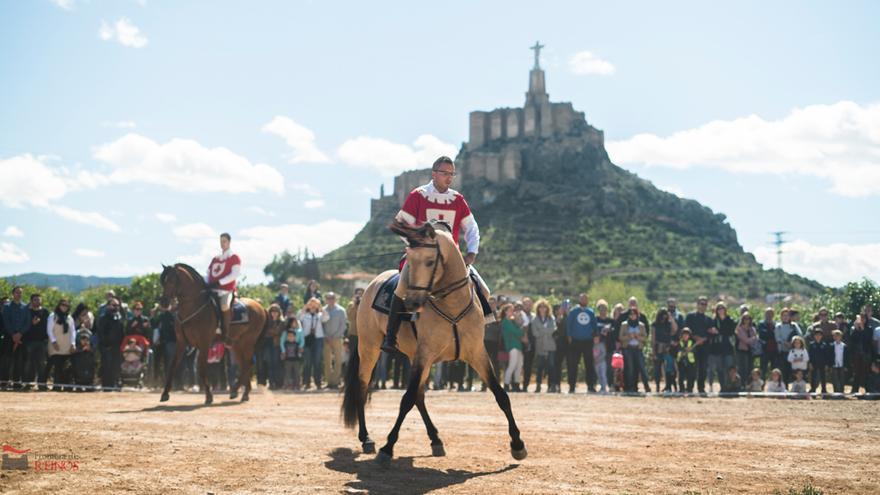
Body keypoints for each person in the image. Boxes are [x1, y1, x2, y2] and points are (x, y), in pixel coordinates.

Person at [382, 155, 486, 354]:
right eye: (445, 173)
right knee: (402, 288)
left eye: (452, 174)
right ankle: (390, 336)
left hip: (451, 262)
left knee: (483, 290)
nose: (449, 177)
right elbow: (400, 223)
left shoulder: (457, 199)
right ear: (434, 174)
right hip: (422, 260)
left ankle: (476, 331)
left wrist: (471, 252)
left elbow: (472, 228)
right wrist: (417, 245)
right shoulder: (418, 195)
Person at [205, 232, 242, 345]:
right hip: (212, 289)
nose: (222, 243)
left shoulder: (234, 257)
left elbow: (235, 274)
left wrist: (220, 282)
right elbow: (208, 273)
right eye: (221, 241)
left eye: (224, 241)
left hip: (226, 290)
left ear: (229, 242)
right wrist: (207, 283)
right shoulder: (215, 258)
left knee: (224, 305)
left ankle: (225, 332)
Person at [566, 293, 598, 393]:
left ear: (587, 300)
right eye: (582, 298)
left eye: (585, 298)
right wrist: (569, 336)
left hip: (588, 341)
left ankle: (591, 386)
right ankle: (571, 386)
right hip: (575, 341)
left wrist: (596, 336)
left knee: (589, 365)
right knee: (573, 364)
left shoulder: (591, 312)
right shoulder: (573, 312)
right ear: (579, 300)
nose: (583, 300)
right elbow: (568, 324)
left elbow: (594, 325)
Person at [685, 296, 714, 394]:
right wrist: (695, 337)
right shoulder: (690, 317)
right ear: (697, 305)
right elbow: (686, 330)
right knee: (692, 368)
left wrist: (704, 339)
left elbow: (711, 333)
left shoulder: (709, 319)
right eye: (701, 304)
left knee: (703, 369)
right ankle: (689, 388)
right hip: (693, 347)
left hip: (705, 347)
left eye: (705, 304)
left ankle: (701, 388)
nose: (703, 306)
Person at [46, 299, 77, 391]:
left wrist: (73, 343)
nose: (64, 307)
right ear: (59, 305)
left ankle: (67, 386)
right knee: (57, 366)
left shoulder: (69, 318)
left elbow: (73, 332)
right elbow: (49, 330)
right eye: (63, 304)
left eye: (66, 305)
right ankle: (57, 386)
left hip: (67, 345)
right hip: (55, 345)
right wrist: (54, 341)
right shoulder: (53, 316)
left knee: (66, 366)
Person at [2, 286, 29, 389]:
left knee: (19, 360)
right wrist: (13, 334)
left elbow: (27, 322)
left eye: (20, 292)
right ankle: (4, 382)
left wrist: (20, 334)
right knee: (7, 360)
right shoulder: (7, 307)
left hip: (22, 337)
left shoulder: (25, 307)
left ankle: (17, 382)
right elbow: (6, 322)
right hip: (9, 337)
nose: (19, 294)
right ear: (13, 294)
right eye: (17, 292)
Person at [704, 301, 735, 392]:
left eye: (722, 308)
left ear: (725, 310)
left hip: (728, 348)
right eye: (719, 309)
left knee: (729, 368)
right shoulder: (713, 321)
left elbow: (731, 332)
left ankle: (730, 386)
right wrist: (712, 331)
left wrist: (718, 332)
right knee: (720, 369)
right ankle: (722, 387)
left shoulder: (730, 320)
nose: (721, 310)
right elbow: (709, 332)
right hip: (716, 349)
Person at [23, 293, 50, 390]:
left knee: (42, 364)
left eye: (39, 300)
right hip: (29, 341)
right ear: (31, 301)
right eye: (35, 300)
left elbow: (48, 326)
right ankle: (28, 384)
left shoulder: (45, 311)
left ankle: (42, 384)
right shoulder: (27, 311)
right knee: (28, 364)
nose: (37, 302)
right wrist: (32, 323)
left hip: (42, 341)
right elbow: (24, 325)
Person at [299, 297, 326, 389]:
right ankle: (306, 382)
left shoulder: (320, 315)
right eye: (311, 305)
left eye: (315, 305)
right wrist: (307, 304)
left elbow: (327, 317)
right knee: (307, 361)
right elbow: (299, 317)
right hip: (307, 339)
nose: (313, 307)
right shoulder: (304, 315)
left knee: (317, 361)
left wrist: (320, 306)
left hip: (318, 339)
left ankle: (318, 382)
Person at [619, 309, 650, 393]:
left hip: (638, 348)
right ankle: (631, 387)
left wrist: (637, 337)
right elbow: (621, 337)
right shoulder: (624, 325)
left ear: (637, 315)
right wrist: (629, 336)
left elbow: (645, 338)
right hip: (628, 348)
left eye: (634, 314)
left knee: (642, 368)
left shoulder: (641, 325)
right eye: (631, 314)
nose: (632, 316)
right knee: (630, 369)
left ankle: (646, 386)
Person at [97, 298, 125, 390]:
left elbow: (121, 332)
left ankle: (114, 384)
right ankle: (106, 386)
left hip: (117, 347)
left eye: (117, 305)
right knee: (107, 366)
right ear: (108, 306)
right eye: (114, 305)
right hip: (106, 347)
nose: (116, 307)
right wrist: (106, 344)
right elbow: (101, 333)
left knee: (115, 365)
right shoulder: (103, 317)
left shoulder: (119, 317)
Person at [322, 292, 347, 389]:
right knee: (327, 361)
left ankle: (336, 381)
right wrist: (326, 336)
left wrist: (335, 336)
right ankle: (329, 381)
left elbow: (343, 325)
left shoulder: (341, 310)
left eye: (332, 298)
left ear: (335, 299)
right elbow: (321, 325)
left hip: (337, 338)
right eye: (328, 298)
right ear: (326, 299)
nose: (330, 299)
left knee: (338, 360)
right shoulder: (323, 310)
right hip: (326, 339)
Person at [530, 299, 555, 393]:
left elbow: (553, 329)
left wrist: (541, 331)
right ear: (538, 308)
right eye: (540, 306)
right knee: (540, 366)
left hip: (550, 345)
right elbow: (535, 333)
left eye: (544, 306)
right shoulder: (535, 319)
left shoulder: (551, 318)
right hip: (540, 345)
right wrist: (545, 331)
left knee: (551, 366)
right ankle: (538, 386)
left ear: (547, 308)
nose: (542, 308)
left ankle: (551, 386)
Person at [651, 308, 678, 392]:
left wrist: (671, 318)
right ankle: (658, 386)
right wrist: (653, 351)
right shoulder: (655, 324)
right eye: (662, 315)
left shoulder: (668, 324)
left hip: (667, 348)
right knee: (657, 369)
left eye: (665, 314)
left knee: (669, 368)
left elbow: (675, 330)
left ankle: (669, 386)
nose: (664, 317)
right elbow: (653, 338)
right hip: (658, 347)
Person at [258, 304, 284, 389]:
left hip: (276, 345)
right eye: (272, 311)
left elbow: (278, 332)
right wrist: (272, 332)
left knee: (276, 364)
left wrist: (270, 332)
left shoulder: (281, 322)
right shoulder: (266, 321)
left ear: (279, 312)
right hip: (267, 344)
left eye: (276, 311)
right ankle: (271, 382)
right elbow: (265, 332)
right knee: (269, 363)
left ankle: (278, 383)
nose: (274, 313)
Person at [501, 303, 525, 392]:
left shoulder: (511, 321)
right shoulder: (505, 322)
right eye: (510, 310)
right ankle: (506, 385)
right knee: (512, 366)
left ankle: (516, 385)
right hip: (512, 346)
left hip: (517, 345)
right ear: (506, 312)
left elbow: (518, 330)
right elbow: (518, 332)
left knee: (519, 366)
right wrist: (521, 331)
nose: (513, 312)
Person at [775, 308, 802, 383]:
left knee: (793, 371)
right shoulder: (778, 326)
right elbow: (778, 338)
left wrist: (792, 343)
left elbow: (800, 335)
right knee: (784, 371)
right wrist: (786, 343)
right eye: (783, 315)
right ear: (781, 317)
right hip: (782, 351)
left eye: (787, 315)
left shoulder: (794, 325)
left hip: (793, 351)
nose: (785, 317)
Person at [482, 297, 502, 392]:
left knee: (496, 364)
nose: (491, 305)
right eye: (489, 303)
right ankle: (484, 384)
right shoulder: (483, 313)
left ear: (496, 304)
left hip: (497, 342)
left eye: (493, 303)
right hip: (486, 341)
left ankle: (497, 383)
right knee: (486, 364)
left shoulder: (500, 314)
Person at [849, 315, 871, 394]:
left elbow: (868, 340)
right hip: (857, 355)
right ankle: (855, 390)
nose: (862, 320)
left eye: (863, 318)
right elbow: (852, 339)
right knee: (856, 373)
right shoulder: (854, 329)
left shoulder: (869, 329)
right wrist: (856, 329)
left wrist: (862, 328)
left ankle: (868, 390)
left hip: (865, 354)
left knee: (866, 373)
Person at [280, 316, 304, 390]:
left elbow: (302, 341)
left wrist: (300, 347)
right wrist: (283, 351)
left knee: (297, 371)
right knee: (287, 372)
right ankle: (287, 385)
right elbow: (281, 342)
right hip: (287, 356)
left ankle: (297, 385)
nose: (295, 323)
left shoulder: (300, 331)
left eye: (296, 322)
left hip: (296, 355)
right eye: (294, 322)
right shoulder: (285, 332)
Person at [735, 312, 758, 384]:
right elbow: (745, 340)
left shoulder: (752, 329)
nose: (747, 320)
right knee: (742, 369)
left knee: (750, 368)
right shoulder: (739, 329)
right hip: (742, 351)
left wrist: (752, 339)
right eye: (745, 318)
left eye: (748, 318)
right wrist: (753, 338)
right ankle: (741, 384)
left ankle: (749, 384)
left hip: (750, 351)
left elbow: (755, 340)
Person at [807, 328, 829, 394]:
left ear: (822, 336)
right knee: (813, 377)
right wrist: (810, 363)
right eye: (816, 335)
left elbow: (826, 356)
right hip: (814, 363)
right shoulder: (811, 344)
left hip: (822, 363)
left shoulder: (824, 345)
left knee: (823, 377)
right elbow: (809, 355)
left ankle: (824, 389)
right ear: (814, 336)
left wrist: (826, 364)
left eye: (819, 335)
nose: (818, 336)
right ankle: (813, 389)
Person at [756, 307, 777, 378]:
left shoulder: (776, 324)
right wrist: (771, 333)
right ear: (765, 314)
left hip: (774, 350)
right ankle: (762, 384)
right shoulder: (761, 324)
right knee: (763, 369)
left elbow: (776, 335)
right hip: (764, 350)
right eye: (767, 313)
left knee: (774, 369)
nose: (769, 315)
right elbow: (762, 335)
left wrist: (769, 334)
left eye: (771, 314)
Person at [676, 327, 697, 394]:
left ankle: (689, 389)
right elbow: (678, 350)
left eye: (687, 334)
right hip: (681, 361)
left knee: (690, 376)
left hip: (690, 362)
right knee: (681, 376)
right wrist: (684, 351)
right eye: (684, 334)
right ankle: (681, 389)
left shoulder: (692, 343)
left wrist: (690, 349)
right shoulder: (680, 342)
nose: (685, 336)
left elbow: (694, 351)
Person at [830, 329, 848, 393]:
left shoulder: (844, 346)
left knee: (842, 379)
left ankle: (841, 392)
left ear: (841, 337)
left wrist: (846, 366)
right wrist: (830, 365)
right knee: (835, 379)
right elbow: (830, 357)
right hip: (834, 365)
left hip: (842, 365)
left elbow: (846, 357)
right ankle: (836, 392)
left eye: (838, 336)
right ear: (833, 337)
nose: (837, 337)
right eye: (835, 336)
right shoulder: (831, 346)